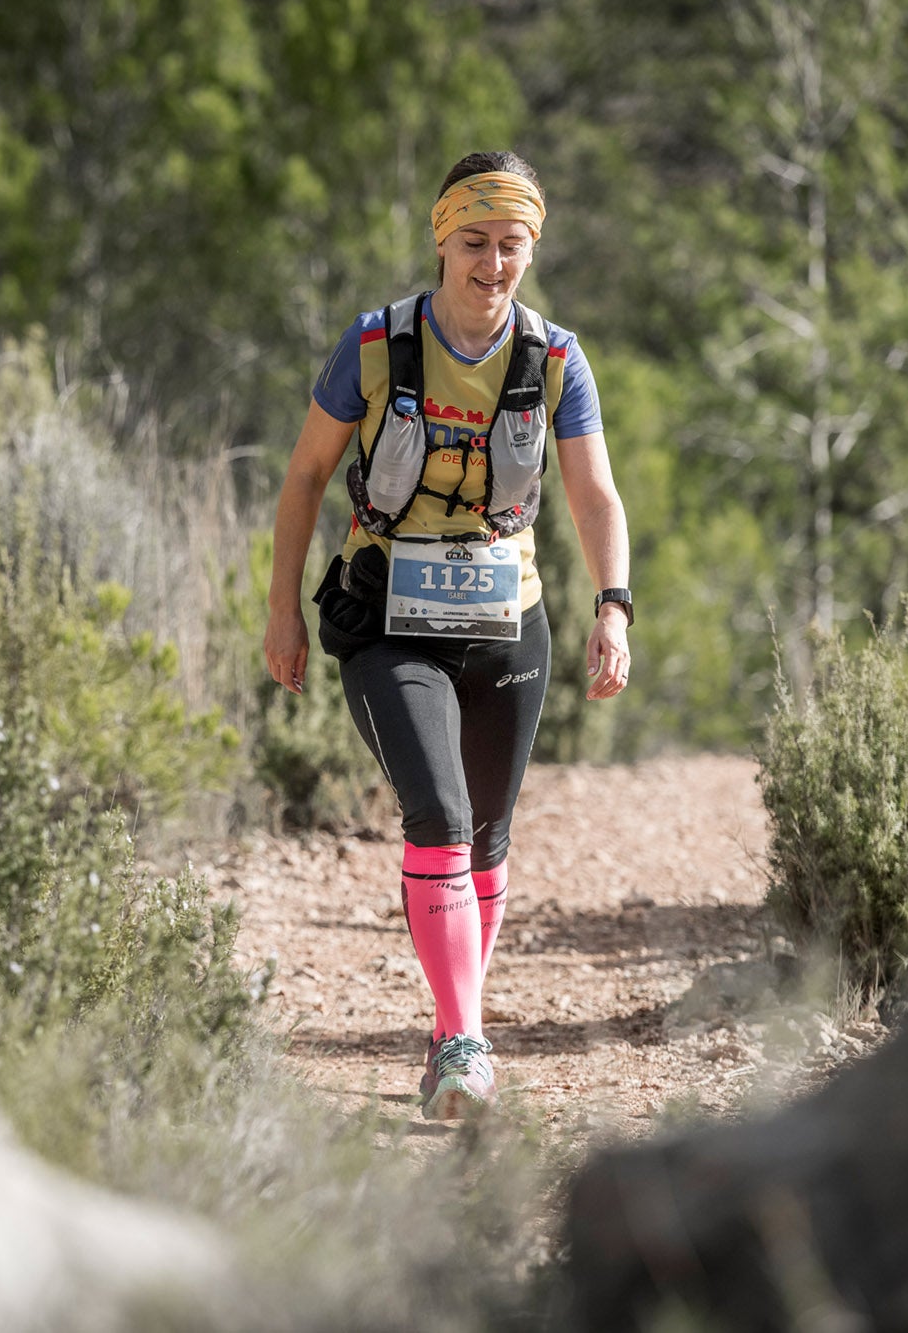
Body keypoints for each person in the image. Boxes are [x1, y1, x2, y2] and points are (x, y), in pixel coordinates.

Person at [262, 150, 632, 1120]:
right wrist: (281, 610)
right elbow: (303, 478)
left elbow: (593, 494)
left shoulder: (554, 358)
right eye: (474, 242)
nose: (492, 263)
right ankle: (464, 1041)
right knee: (437, 812)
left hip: (505, 620)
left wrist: (612, 604)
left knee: (489, 838)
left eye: (511, 245)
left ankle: (447, 1025)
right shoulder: (374, 346)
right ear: (440, 240)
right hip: (385, 618)